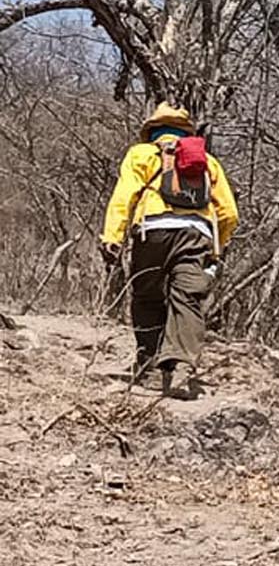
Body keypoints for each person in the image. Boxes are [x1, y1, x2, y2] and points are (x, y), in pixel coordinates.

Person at [100, 103, 240, 398]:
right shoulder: (208, 162)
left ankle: (150, 367)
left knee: (147, 295)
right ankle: (181, 368)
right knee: (187, 299)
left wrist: (112, 236)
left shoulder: (141, 154)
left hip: (152, 230)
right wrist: (217, 247)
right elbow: (229, 213)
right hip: (195, 234)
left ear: (152, 131)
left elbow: (124, 196)